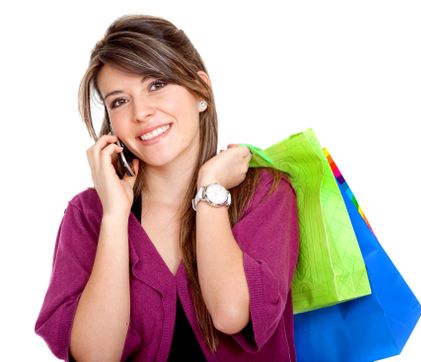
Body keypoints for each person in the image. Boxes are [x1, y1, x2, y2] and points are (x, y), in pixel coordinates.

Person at [35, 14, 299, 361]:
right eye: (119, 100)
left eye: (156, 84)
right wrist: (114, 217)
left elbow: (230, 312)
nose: (141, 112)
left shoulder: (265, 193)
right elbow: (95, 356)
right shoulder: (89, 214)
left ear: (200, 89)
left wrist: (210, 190)